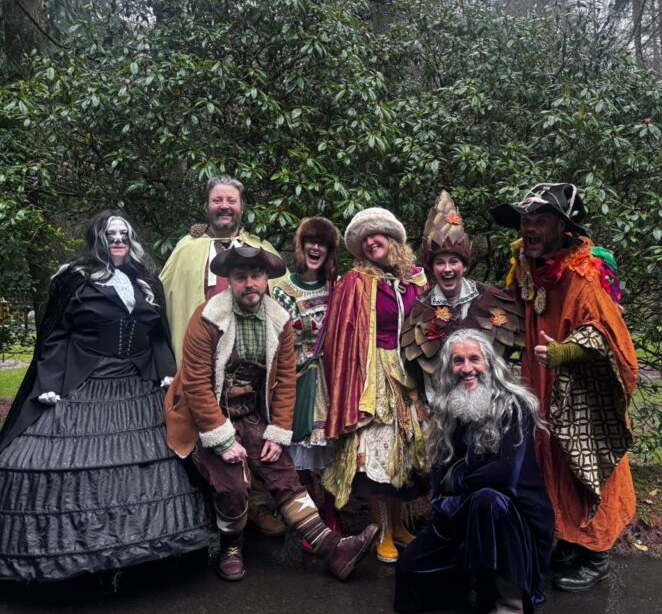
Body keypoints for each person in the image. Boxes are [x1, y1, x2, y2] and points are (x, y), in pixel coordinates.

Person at [0, 211, 213, 582]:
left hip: (138, 380)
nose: (117, 241)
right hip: (88, 377)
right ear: (97, 240)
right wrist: (49, 381)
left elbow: (157, 334)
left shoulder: (145, 280)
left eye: (123, 235)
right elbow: (55, 335)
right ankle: (88, 558)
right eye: (110, 235)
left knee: (161, 460)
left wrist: (166, 370)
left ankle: (151, 552)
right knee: (67, 463)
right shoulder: (73, 279)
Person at [164, 245, 378, 582]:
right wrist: (222, 440)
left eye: (256, 275)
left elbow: (285, 382)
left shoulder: (279, 320)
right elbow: (195, 383)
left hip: (249, 412)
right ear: (229, 281)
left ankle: (333, 550)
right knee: (232, 485)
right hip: (204, 416)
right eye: (240, 277)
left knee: (283, 474)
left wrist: (277, 433)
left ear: (266, 279)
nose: (249, 283)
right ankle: (230, 548)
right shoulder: (206, 318)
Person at [491, 182, 638, 591]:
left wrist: (566, 352)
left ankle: (596, 552)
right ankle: (569, 541)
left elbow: (609, 336)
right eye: (526, 220)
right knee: (551, 461)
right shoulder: (528, 266)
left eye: (540, 220)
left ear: (562, 227)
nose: (529, 228)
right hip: (540, 386)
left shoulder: (584, 275)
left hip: (581, 393)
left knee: (585, 461)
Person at [394, 330, 554, 614]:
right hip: (464, 511)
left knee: (488, 500)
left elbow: (503, 477)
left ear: (489, 364)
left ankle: (509, 606)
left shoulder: (514, 406)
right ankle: (471, 578)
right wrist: (445, 498)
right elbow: (441, 473)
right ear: (449, 368)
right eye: (458, 361)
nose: (467, 368)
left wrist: (454, 488)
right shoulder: (449, 407)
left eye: (474, 359)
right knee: (409, 574)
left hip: (512, 522)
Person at [160, 174, 285, 538]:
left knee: (251, 431)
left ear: (241, 207)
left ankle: (256, 506)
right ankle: (209, 512)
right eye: (218, 200)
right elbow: (163, 297)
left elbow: (282, 303)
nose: (225, 206)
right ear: (207, 206)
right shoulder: (186, 249)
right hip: (200, 359)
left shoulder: (260, 249)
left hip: (247, 365)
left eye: (231, 200)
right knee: (202, 431)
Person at [322, 207, 429, 563]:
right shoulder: (355, 282)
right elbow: (341, 336)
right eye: (364, 239)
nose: (370, 242)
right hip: (373, 374)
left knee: (404, 451)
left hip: (408, 373)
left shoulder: (415, 280)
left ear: (393, 238)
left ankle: (398, 526)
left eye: (376, 235)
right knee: (376, 452)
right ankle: (381, 530)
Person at [402, 190, 523, 398]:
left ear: (465, 266)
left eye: (454, 261)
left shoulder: (493, 299)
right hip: (442, 405)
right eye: (440, 263)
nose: (447, 269)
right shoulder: (421, 308)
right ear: (431, 268)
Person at [271, 217, 342, 538]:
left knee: (330, 454)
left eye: (323, 243)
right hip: (298, 377)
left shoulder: (337, 288)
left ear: (330, 251)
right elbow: (279, 338)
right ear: (301, 247)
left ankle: (332, 517)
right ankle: (311, 524)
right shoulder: (283, 289)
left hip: (331, 377)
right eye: (310, 241)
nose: (316, 248)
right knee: (301, 451)